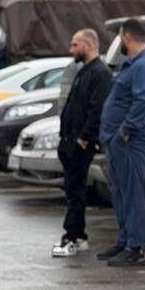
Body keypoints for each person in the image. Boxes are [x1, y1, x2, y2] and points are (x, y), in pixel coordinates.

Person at [97, 18, 145, 267]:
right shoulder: (133, 64)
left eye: (120, 36)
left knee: (132, 193)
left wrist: (125, 131)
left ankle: (136, 248)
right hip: (119, 141)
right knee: (121, 192)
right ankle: (124, 241)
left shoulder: (144, 66)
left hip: (131, 141)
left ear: (126, 37)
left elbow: (144, 102)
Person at [52, 28, 111, 257]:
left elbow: (97, 110)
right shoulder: (84, 70)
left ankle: (72, 238)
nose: (71, 49)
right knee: (72, 190)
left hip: (81, 144)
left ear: (89, 45)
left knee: (76, 192)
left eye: (75, 45)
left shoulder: (100, 73)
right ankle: (80, 236)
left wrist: (84, 138)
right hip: (69, 142)